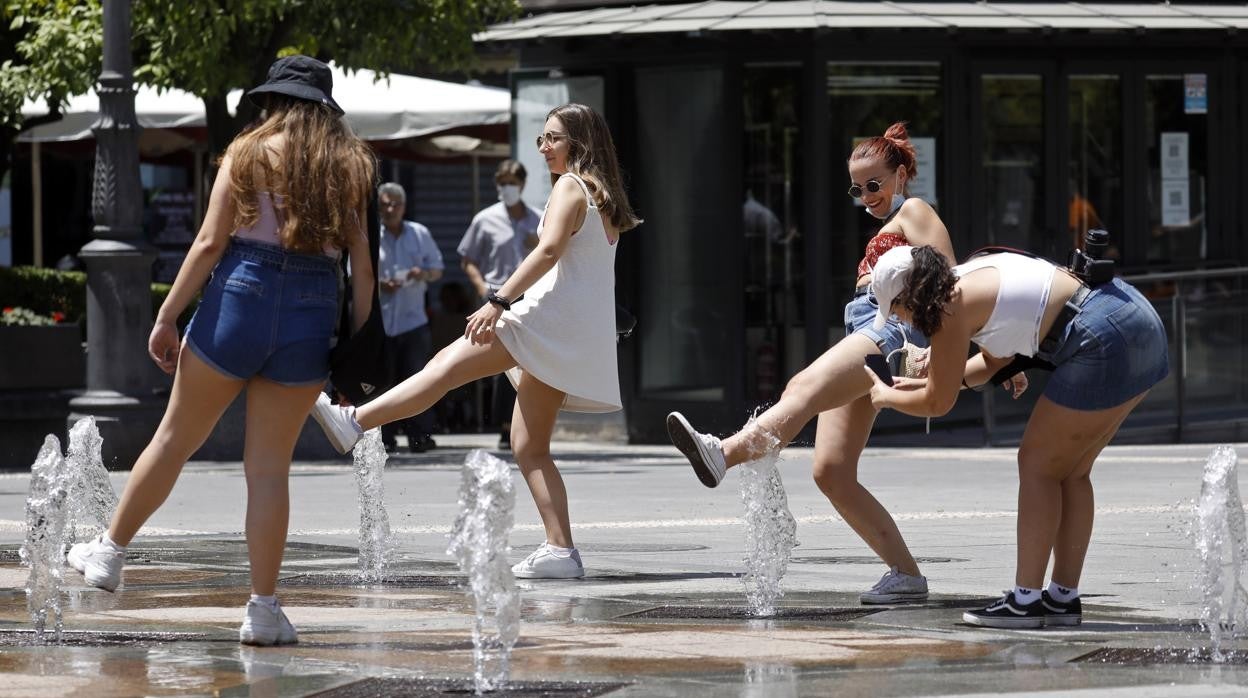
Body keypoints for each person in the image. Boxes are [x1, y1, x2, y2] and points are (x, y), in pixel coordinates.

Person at [65, 56, 375, 646]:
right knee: (267, 471)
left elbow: (209, 243)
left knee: (173, 440)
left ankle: (108, 553)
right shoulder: (351, 164)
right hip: (312, 306)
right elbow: (362, 271)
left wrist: (166, 315)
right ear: (325, 108)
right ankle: (262, 610)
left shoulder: (248, 152)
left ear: (275, 101)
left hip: (240, 296)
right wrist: (357, 352)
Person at [311, 103, 641, 580]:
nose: (543, 147)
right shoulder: (603, 198)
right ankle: (561, 550)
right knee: (528, 447)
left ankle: (355, 421)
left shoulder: (571, 187)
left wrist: (497, 301)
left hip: (542, 323)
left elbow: (548, 252)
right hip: (567, 333)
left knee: (444, 367)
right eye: (542, 139)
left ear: (579, 143)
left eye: (552, 138)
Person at [667, 122, 956, 604]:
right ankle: (906, 575)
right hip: (871, 327)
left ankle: (726, 453)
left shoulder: (918, 211)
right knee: (832, 471)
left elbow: (948, 279)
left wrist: (936, 346)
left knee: (801, 385)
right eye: (857, 187)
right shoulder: (890, 223)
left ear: (902, 175)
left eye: (875, 184)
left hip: (894, 331)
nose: (866, 195)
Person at [862, 244, 1169, 628]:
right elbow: (994, 362)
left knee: (1036, 464)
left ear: (911, 295)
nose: (905, 323)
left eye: (900, 311)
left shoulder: (947, 307)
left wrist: (884, 396)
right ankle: (1062, 598)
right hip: (1134, 318)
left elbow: (938, 404)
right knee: (1071, 472)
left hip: (1101, 338)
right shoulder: (968, 277)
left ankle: (1025, 601)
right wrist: (933, 382)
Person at [457, 160, 541, 450]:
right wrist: (481, 288)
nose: (508, 188)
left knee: (525, 361)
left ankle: (514, 424)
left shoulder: (538, 219)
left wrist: (537, 243)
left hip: (529, 298)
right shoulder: (485, 219)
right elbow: (468, 258)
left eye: (512, 183)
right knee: (496, 361)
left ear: (522, 185)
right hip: (495, 298)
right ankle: (501, 422)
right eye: (503, 183)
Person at [377, 182, 444, 453]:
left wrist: (421, 274)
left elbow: (437, 269)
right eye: (385, 204)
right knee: (383, 382)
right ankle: (385, 437)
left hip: (413, 320)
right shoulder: (371, 236)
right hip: (381, 322)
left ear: (403, 206)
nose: (390, 208)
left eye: (395, 203)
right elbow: (352, 273)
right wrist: (380, 284)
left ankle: (420, 435)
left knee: (418, 379)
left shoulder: (419, 233)